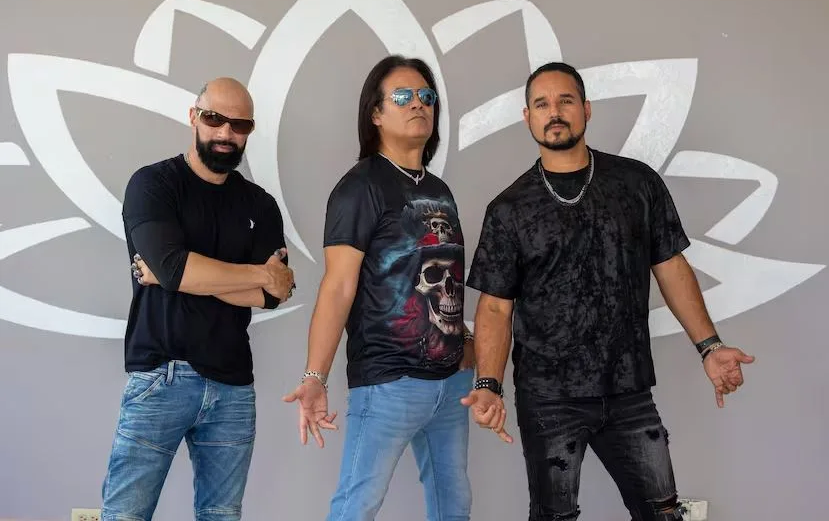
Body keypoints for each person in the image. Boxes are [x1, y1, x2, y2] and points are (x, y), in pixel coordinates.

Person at [463, 62, 755, 521]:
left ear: (586, 109)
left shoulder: (636, 184)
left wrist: (710, 347)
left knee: (661, 512)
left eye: (565, 101)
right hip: (549, 396)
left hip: (629, 389)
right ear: (527, 117)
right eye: (542, 104)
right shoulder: (509, 209)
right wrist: (488, 385)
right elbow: (496, 307)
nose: (554, 112)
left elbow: (671, 267)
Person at [282, 55, 475, 521]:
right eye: (403, 96)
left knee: (455, 508)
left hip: (451, 384)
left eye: (426, 96)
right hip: (389, 382)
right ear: (375, 113)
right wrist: (315, 377)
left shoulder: (440, 190)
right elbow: (338, 287)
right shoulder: (360, 188)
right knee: (357, 507)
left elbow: (438, 275)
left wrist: (465, 340)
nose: (418, 105)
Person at [101, 77, 295, 521]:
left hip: (233, 384)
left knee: (222, 515)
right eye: (214, 118)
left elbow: (273, 295)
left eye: (240, 124)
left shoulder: (260, 204)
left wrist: (177, 275)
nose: (226, 132)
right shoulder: (153, 184)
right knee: (125, 514)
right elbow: (179, 269)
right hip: (160, 375)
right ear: (194, 117)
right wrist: (253, 274)